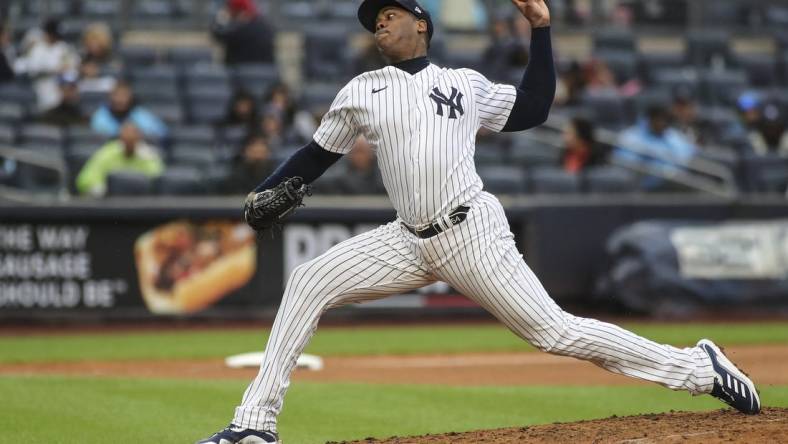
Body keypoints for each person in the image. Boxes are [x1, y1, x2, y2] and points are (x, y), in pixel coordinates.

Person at [198, 1, 760, 443]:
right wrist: (269, 189)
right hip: (405, 239)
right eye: (374, 19)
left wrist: (540, 30)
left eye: (390, 13)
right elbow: (315, 157)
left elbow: (535, 108)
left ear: (422, 23)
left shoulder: (463, 83)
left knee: (555, 332)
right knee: (307, 281)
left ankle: (697, 368)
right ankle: (255, 423)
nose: (380, 23)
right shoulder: (361, 91)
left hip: (470, 232)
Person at [615, 104, 697, 191]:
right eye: (659, 119)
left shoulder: (674, 136)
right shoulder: (631, 137)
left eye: (666, 120)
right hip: (645, 186)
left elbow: (690, 158)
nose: (663, 123)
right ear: (650, 119)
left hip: (677, 182)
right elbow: (625, 164)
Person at [76, 122, 164, 197]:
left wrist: (146, 159)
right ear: (120, 138)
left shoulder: (148, 156)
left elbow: (158, 180)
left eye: (133, 138)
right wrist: (102, 190)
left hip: (142, 205)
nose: (129, 140)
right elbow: (85, 179)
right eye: (126, 138)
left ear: (139, 139)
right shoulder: (107, 152)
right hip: (110, 205)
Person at [12, 18, 79, 111]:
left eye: (55, 35)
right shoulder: (38, 48)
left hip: (60, 85)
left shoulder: (63, 47)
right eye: (52, 34)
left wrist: (64, 68)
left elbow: (73, 66)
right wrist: (55, 69)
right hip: (40, 84)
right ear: (47, 33)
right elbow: (33, 69)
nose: (54, 37)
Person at [91, 80, 168, 140]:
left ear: (131, 97)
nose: (120, 100)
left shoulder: (140, 114)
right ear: (111, 97)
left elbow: (161, 132)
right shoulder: (100, 116)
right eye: (117, 95)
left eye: (124, 95)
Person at [211, 0, 275, 65]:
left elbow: (219, 35)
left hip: (242, 72)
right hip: (267, 72)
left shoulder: (241, 28)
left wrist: (221, 19)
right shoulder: (264, 25)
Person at [78, 22, 118, 94]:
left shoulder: (114, 59)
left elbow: (118, 74)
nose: (94, 45)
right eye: (90, 41)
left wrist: (99, 72)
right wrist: (82, 71)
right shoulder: (82, 60)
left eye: (97, 41)